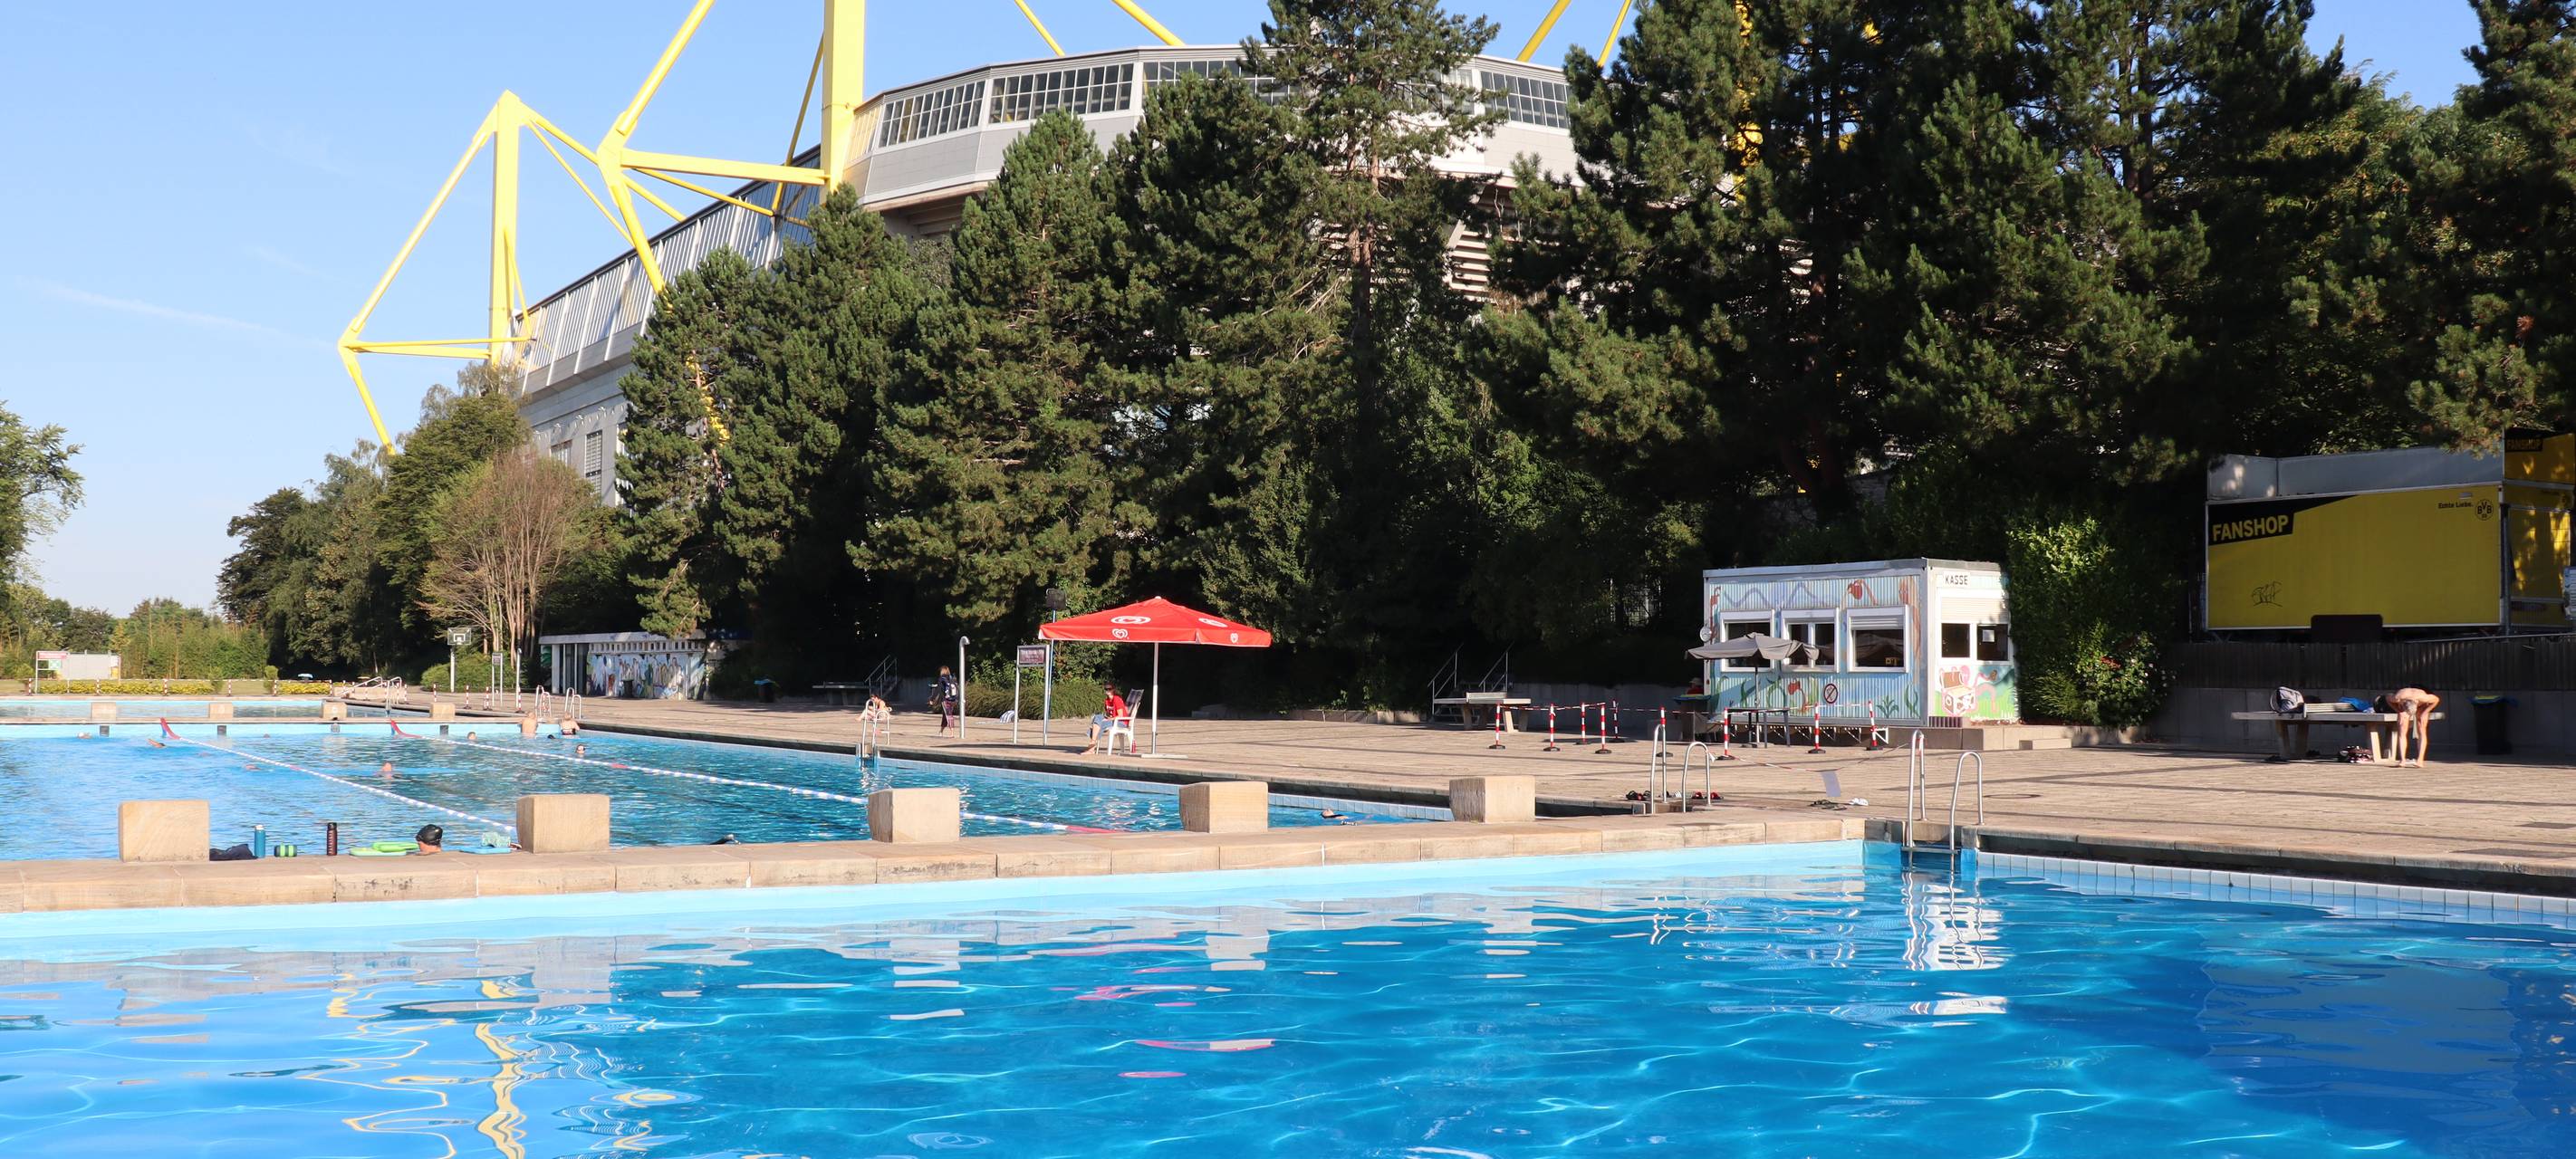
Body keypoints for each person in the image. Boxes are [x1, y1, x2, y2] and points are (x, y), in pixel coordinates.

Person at [2377, 686, 2442, 767]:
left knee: (2421, 729)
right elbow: (2387, 697)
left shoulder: (2424, 698)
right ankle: (2402, 760)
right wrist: (2398, 710)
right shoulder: (2397, 698)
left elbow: (2436, 700)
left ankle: (2420, 760)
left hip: (2422, 706)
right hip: (2405, 704)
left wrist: (2425, 712)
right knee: (2402, 730)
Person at [1081, 688, 1131, 755]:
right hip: (1113, 720)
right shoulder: (1107, 701)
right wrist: (1106, 717)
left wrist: (1109, 719)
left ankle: (1092, 747)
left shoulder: (1116, 699)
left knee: (1100, 724)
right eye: (1106, 689)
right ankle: (1092, 744)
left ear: (1113, 690)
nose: (1107, 690)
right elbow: (1109, 713)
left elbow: (1120, 716)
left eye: (1109, 689)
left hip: (1121, 722)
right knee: (1098, 717)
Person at [932, 666, 959, 735]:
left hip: (945, 700)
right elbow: (957, 689)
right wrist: (957, 699)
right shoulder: (952, 678)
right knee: (946, 715)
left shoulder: (941, 679)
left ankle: (952, 732)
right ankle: (941, 731)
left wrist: (932, 699)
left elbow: (938, 690)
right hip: (953, 700)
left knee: (949, 715)